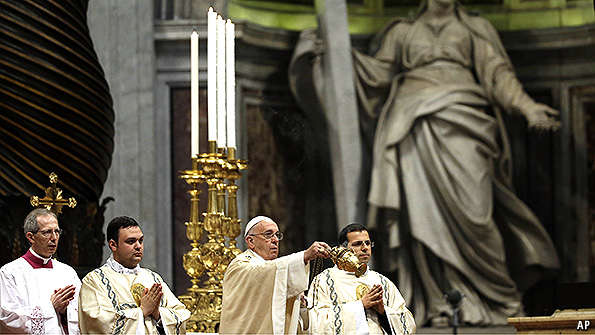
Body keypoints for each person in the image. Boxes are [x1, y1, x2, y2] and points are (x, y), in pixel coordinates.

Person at [290, 0, 560, 325]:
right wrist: (333, 53)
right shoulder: (403, 31)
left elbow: (498, 75)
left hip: (464, 121)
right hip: (411, 127)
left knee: (476, 215)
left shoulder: (474, 28)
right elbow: (374, 75)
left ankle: (497, 298)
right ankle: (439, 302)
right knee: (421, 217)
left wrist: (528, 108)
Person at [219, 215, 331, 335]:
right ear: (251, 241)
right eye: (268, 234)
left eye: (277, 235)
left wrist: (299, 302)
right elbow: (260, 273)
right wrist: (304, 256)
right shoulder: (240, 265)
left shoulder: (275, 270)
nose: (275, 240)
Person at [78, 216, 190, 334]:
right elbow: (98, 321)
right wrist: (142, 311)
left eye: (140, 240)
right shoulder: (95, 281)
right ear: (113, 245)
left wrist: (158, 313)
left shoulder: (153, 278)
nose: (138, 246)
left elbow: (181, 315)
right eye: (131, 241)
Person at [307, 224, 415, 335]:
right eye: (358, 244)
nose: (365, 248)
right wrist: (360, 306)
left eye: (368, 243)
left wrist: (383, 312)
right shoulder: (325, 280)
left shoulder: (383, 282)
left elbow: (407, 322)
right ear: (343, 249)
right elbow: (315, 322)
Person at [0, 208, 81, 334]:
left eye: (57, 232)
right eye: (47, 232)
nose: (54, 238)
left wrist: (66, 311)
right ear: (31, 237)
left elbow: (81, 312)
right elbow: (8, 317)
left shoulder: (68, 272)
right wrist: (51, 308)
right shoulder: (10, 272)